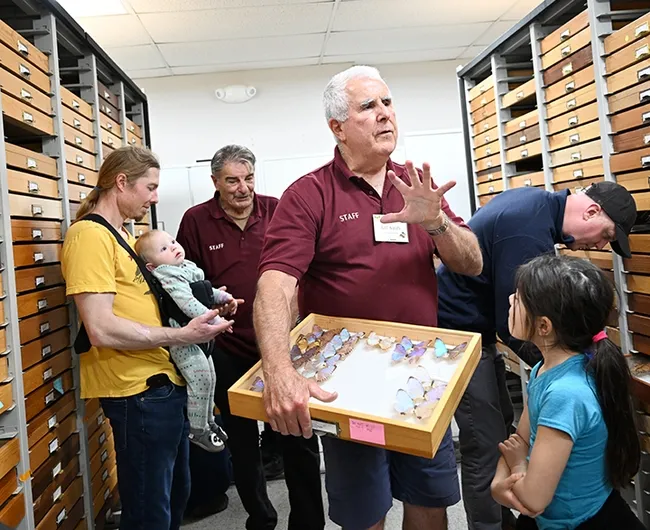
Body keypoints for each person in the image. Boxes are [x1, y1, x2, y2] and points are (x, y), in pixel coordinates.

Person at [253, 65, 483, 530]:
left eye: (388, 103)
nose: (385, 115)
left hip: (421, 378)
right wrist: (279, 371)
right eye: (368, 107)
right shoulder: (309, 195)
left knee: (430, 498)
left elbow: (473, 262)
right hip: (348, 386)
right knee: (364, 512)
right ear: (337, 127)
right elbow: (274, 286)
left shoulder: (415, 184)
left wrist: (434, 223)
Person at [435, 182, 637, 530]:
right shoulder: (526, 232)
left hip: (480, 337)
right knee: (484, 444)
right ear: (591, 212)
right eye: (606, 235)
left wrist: (560, 360)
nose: (601, 245)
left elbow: (525, 473)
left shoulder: (536, 204)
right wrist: (561, 356)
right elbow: (508, 317)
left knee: (494, 433)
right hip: (461, 338)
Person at [61, 146, 233, 530]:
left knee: (174, 497)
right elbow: (100, 327)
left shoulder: (122, 234)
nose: (155, 197)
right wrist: (182, 334)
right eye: (150, 187)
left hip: (161, 383)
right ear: (121, 182)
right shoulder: (89, 236)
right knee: (148, 508)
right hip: (135, 391)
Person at [176, 144, 325, 530]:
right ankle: (260, 518)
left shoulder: (278, 210)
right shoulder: (195, 221)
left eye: (248, 179)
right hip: (228, 347)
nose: (242, 188)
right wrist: (211, 300)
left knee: (299, 436)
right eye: (232, 181)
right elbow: (184, 282)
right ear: (215, 182)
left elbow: (307, 271)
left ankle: (308, 522)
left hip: (281, 346)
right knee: (242, 445)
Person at [491, 254, 644, 530]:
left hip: (577, 523)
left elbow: (534, 499)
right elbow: (519, 440)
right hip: (551, 517)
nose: (511, 299)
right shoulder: (544, 367)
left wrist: (516, 469)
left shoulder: (566, 394)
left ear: (544, 327)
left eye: (519, 298)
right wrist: (498, 483)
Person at [134, 229, 238, 452]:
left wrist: (224, 297)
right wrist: (215, 318)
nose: (173, 247)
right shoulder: (167, 274)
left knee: (210, 378)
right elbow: (187, 304)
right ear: (152, 267)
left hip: (200, 337)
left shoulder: (185, 267)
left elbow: (205, 288)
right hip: (184, 341)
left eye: (172, 241)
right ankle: (198, 430)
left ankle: (209, 422)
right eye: (163, 249)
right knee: (199, 381)